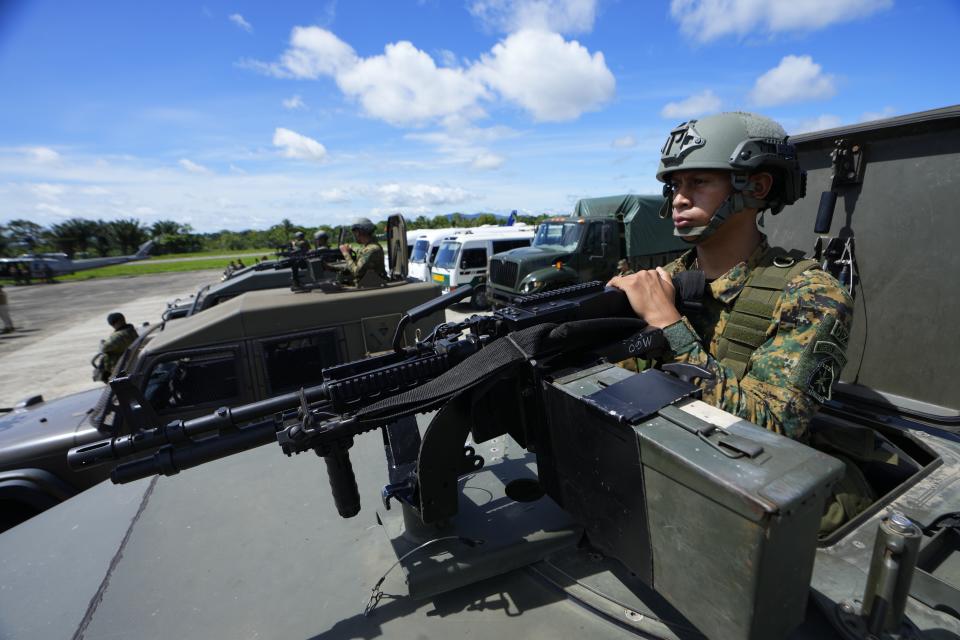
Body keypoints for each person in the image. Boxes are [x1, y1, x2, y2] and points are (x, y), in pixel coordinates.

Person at [607, 112, 863, 533]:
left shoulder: (811, 295)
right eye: (675, 185)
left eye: (699, 182)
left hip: (756, 500)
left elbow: (775, 428)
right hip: (662, 476)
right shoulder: (661, 282)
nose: (678, 199)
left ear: (756, 186)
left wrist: (669, 326)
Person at [336, 217, 387, 287]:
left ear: (358, 233)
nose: (354, 235)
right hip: (366, 285)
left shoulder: (372, 249)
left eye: (354, 232)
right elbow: (359, 256)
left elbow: (356, 272)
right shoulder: (366, 247)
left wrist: (345, 253)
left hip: (370, 287)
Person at [97, 312, 138, 382]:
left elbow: (104, 348)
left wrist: (102, 343)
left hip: (119, 367)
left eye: (113, 323)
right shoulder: (130, 330)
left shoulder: (120, 335)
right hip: (127, 363)